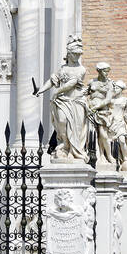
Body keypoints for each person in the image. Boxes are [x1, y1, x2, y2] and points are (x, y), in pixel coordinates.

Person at [34, 35, 89, 163]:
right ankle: (64, 145)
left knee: (75, 127)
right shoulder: (63, 69)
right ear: (69, 54)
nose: (77, 56)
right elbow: (52, 80)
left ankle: (73, 151)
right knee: (62, 122)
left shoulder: (81, 69)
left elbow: (72, 83)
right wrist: (40, 90)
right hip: (63, 101)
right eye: (75, 54)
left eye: (78, 54)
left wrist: (57, 91)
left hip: (76, 101)